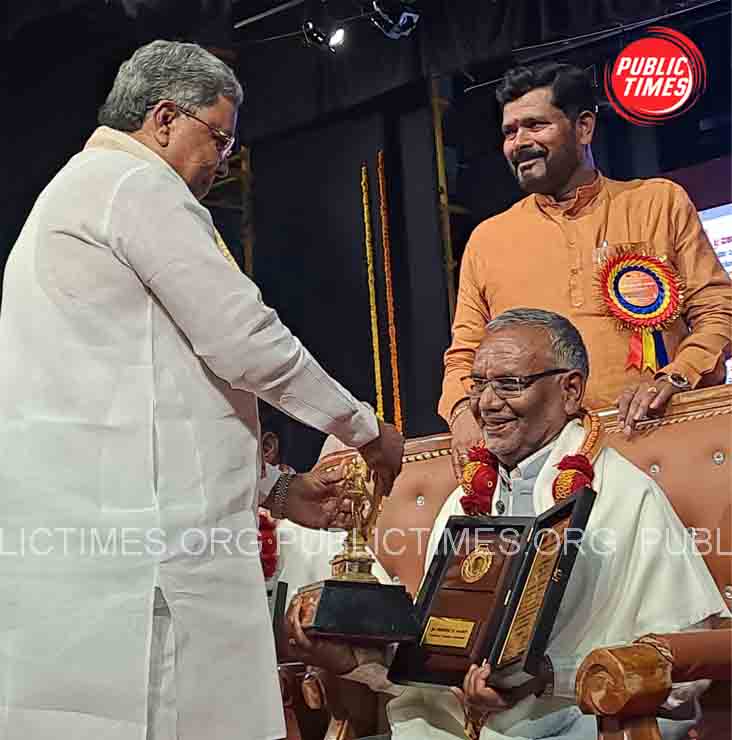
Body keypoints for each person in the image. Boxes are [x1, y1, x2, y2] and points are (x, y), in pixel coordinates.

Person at [0, 40, 404, 740]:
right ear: (163, 119)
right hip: (151, 562)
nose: (224, 158)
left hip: (88, 549)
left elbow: (157, 392)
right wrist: (364, 427)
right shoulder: (138, 186)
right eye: (218, 136)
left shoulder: (71, 193)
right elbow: (243, 339)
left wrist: (275, 489)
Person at [288, 308, 728, 740]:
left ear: (570, 390)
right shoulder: (465, 499)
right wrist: (355, 660)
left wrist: (545, 678)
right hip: (444, 724)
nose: (486, 403)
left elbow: (680, 662)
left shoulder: (624, 496)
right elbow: (439, 652)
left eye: (509, 384)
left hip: (571, 721)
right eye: (478, 384)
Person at [441, 61, 732, 481]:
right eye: (509, 131)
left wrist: (677, 377)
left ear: (584, 128)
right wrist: (459, 413)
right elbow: (464, 353)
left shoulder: (657, 203)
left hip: (656, 435)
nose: (519, 142)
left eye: (536, 125)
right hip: (542, 462)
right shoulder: (488, 239)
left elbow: (718, 312)